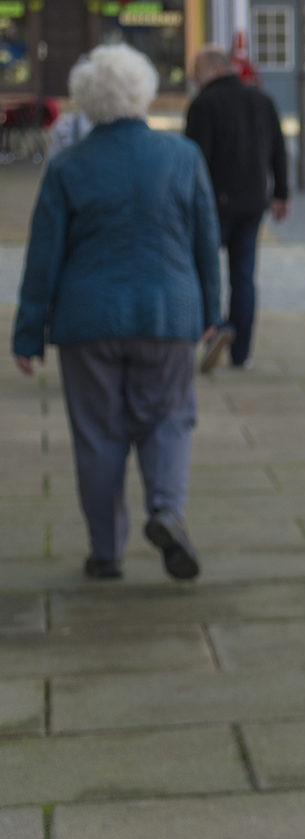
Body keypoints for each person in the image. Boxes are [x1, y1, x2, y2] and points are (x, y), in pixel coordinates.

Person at [12, 43, 219, 581]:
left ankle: (106, 553)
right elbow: (205, 240)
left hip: (88, 319)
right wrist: (211, 311)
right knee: (169, 419)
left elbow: (44, 254)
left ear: (85, 100)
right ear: (144, 92)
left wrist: (28, 334)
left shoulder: (67, 167)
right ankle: (167, 512)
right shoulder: (182, 157)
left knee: (98, 435)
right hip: (169, 314)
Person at [184, 49, 289, 373]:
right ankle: (241, 354)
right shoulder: (262, 101)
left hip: (213, 203)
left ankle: (214, 328)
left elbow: (194, 160)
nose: (193, 80)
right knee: (244, 276)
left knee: (203, 269)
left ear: (211, 69)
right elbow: (279, 149)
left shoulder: (203, 105)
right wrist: (281, 193)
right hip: (254, 201)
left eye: (195, 72)